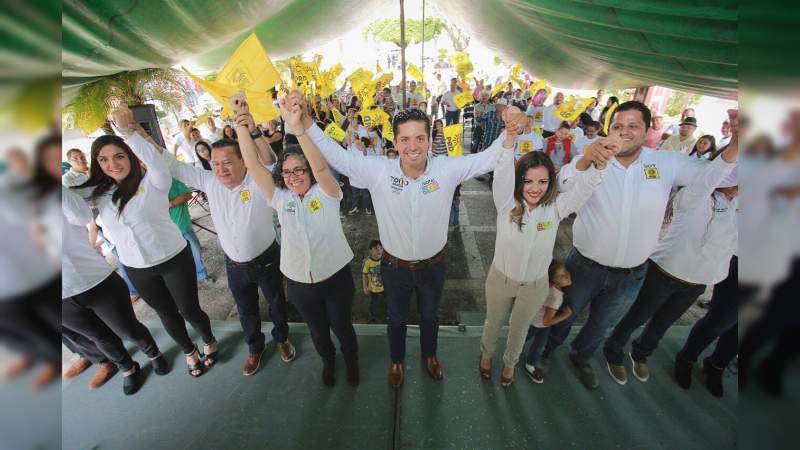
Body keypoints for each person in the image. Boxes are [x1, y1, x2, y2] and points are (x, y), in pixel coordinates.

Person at [289, 91, 521, 389]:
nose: (413, 147)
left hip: (434, 267)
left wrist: (510, 132)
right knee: (396, 318)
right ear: (395, 143)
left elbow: (488, 158)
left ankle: (429, 355)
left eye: (420, 138)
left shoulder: (448, 168)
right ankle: (396, 360)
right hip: (394, 268)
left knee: (430, 316)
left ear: (429, 140)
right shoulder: (377, 170)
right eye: (406, 139)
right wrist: (307, 121)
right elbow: (338, 157)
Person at [539, 101, 739, 389]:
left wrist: (737, 142)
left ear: (647, 132)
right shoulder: (595, 155)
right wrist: (584, 161)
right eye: (618, 126)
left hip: (630, 274)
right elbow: (563, 185)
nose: (624, 132)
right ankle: (545, 351)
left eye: (633, 126)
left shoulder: (666, 162)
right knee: (563, 313)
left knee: (602, 324)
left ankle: (581, 356)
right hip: (583, 265)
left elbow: (720, 176)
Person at [75, 108, 218, 378]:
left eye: (119, 156)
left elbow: (155, 160)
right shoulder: (98, 193)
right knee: (167, 314)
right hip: (137, 268)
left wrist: (128, 131)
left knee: (189, 310)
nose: (113, 164)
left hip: (174, 258)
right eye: (103, 159)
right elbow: (62, 198)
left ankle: (209, 340)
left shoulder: (154, 180)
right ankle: (189, 351)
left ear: (131, 155)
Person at [158, 104, 296, 377]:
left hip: (268, 259)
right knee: (246, 310)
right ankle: (255, 348)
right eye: (216, 163)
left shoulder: (258, 181)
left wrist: (251, 130)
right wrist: (137, 134)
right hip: (234, 265)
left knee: (277, 302)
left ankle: (282, 339)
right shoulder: (209, 182)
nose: (220, 169)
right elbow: (171, 164)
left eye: (227, 162)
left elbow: (270, 162)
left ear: (244, 161)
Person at [237, 95, 359, 387]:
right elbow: (253, 165)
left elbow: (321, 168)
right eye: (287, 171)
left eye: (299, 170)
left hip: (336, 279)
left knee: (342, 327)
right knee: (318, 332)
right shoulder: (280, 198)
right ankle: (328, 362)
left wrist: (298, 128)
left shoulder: (328, 192)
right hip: (299, 284)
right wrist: (240, 124)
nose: (293, 177)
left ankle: (352, 363)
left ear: (309, 172)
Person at [479, 132, 612, 388]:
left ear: (551, 182)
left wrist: (599, 165)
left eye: (542, 181)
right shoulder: (506, 203)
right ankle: (486, 355)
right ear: (518, 181)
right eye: (527, 181)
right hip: (500, 280)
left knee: (519, 329)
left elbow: (583, 189)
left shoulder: (556, 208)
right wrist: (509, 138)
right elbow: (503, 170)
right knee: (493, 323)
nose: (535, 188)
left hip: (535, 285)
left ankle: (509, 364)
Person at [602, 143, 738, 386]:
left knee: (663, 323)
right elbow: (708, 180)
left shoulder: (735, 205)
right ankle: (613, 351)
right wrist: (737, 146)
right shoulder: (696, 194)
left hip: (695, 281)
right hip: (664, 272)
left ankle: (641, 353)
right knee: (637, 316)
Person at [62, 186, 170, 395]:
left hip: (96, 279)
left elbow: (83, 216)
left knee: (128, 329)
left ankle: (153, 353)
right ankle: (127, 368)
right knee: (98, 337)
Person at [523, 260, 574, 383]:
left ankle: (514, 349)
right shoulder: (556, 297)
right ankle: (530, 365)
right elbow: (546, 322)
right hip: (540, 324)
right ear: (552, 280)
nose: (566, 276)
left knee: (525, 337)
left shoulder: (548, 286)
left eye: (565, 272)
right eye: (559, 276)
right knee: (539, 345)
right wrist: (566, 314)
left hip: (532, 318)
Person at [167, 178, 213, 284]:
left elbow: (188, 195)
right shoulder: (150, 185)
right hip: (168, 230)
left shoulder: (174, 180)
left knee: (195, 250)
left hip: (182, 225)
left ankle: (201, 275)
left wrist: (169, 204)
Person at [363, 240, 385, 322]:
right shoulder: (368, 262)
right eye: (376, 248)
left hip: (385, 287)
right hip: (373, 288)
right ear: (370, 250)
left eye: (381, 248)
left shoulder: (384, 260)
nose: (379, 250)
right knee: (374, 303)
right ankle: (373, 317)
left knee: (389, 301)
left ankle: (389, 316)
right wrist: (365, 287)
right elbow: (364, 275)